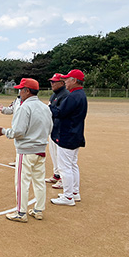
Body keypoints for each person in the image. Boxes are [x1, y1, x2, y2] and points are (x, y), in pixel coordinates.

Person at [0, 78, 53, 222]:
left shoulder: (24, 107)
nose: (19, 92)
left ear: (27, 91)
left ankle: (21, 212)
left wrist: (4, 131)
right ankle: (38, 210)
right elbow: (50, 128)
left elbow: (18, 131)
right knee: (39, 181)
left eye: (21, 89)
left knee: (22, 182)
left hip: (26, 150)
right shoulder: (45, 107)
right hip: (41, 149)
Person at [50, 69, 88, 206]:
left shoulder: (73, 96)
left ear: (74, 80)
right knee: (72, 165)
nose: (65, 81)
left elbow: (60, 112)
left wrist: (49, 108)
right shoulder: (80, 94)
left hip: (68, 134)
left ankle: (68, 197)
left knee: (65, 167)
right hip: (75, 134)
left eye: (67, 79)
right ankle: (74, 193)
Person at [46, 73, 70, 189]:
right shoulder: (54, 94)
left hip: (61, 129)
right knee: (53, 152)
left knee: (60, 155)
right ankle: (56, 174)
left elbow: (61, 112)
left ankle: (62, 178)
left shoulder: (65, 95)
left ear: (62, 82)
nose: (52, 84)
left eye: (54, 82)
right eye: (51, 81)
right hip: (53, 127)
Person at [0, 93, 22, 166]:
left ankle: (21, 161)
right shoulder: (17, 100)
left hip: (23, 126)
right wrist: (3, 109)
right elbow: (11, 109)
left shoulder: (28, 102)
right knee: (18, 143)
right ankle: (18, 160)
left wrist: (4, 131)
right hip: (16, 124)